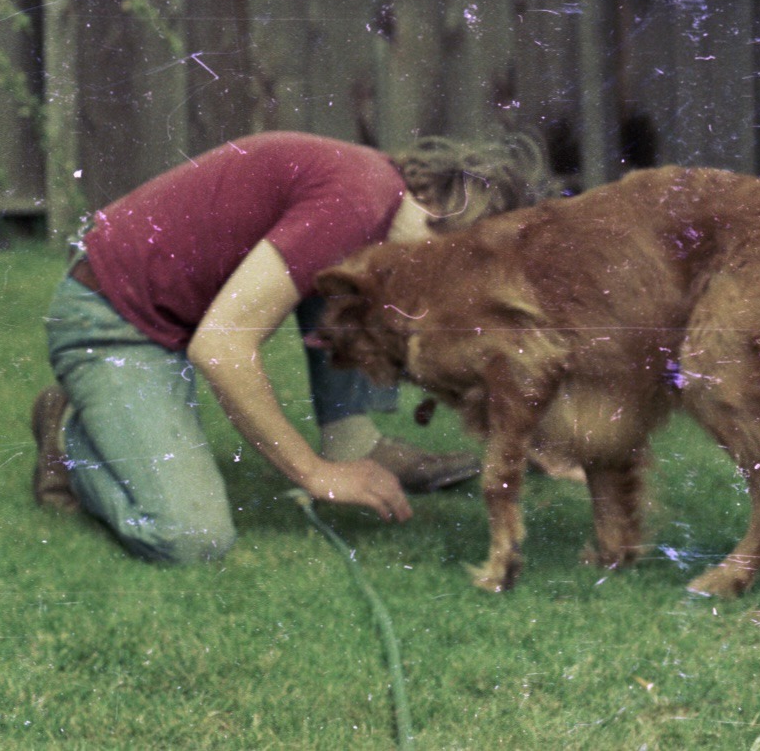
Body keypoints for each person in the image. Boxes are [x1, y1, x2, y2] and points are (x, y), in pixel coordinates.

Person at [31, 130, 549, 564]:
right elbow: (221, 348)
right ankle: (70, 437)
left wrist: (531, 434)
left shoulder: (383, 197)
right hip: (112, 321)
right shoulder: (352, 203)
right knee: (190, 537)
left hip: (173, 311)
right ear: (438, 211)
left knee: (361, 295)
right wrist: (313, 474)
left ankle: (352, 439)